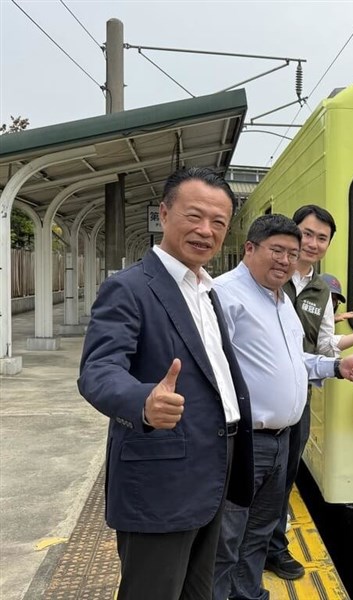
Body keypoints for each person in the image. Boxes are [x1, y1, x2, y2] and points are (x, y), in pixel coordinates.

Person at [77, 167, 254, 600]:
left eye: (218, 222)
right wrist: (143, 401)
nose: (205, 230)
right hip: (161, 479)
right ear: (163, 213)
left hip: (213, 469)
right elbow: (98, 371)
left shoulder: (206, 291)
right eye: (194, 216)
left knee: (198, 591)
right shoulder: (130, 288)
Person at [212, 214, 353, 600]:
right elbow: (209, 368)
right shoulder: (223, 295)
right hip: (244, 439)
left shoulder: (281, 299)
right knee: (227, 535)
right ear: (250, 249)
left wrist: (335, 365)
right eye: (277, 250)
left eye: (292, 253)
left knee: (261, 528)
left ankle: (249, 594)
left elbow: (294, 358)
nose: (286, 260)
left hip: (282, 439)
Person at [265, 205, 353, 580]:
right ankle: (245, 550)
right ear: (292, 233)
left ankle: (273, 548)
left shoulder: (321, 289)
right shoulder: (266, 277)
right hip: (257, 396)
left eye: (320, 238)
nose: (311, 243)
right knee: (253, 475)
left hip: (299, 394)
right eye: (306, 234)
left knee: (285, 475)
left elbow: (326, 345)